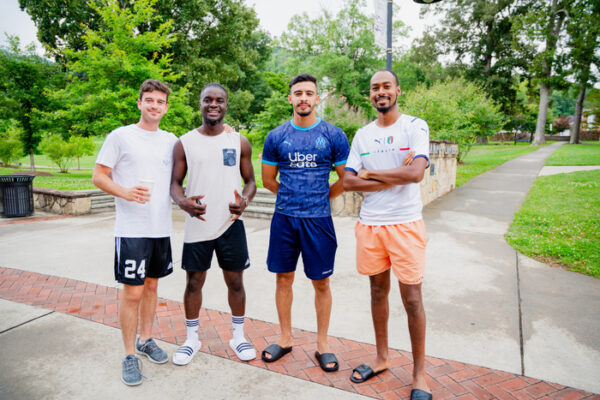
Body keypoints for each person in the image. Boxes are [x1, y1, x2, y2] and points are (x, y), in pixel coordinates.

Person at [343, 70, 432, 400]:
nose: (380, 92)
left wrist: (371, 172)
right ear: (370, 95)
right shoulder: (362, 135)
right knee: (378, 293)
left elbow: (417, 173)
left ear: (397, 90)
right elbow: (349, 182)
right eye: (374, 88)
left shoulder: (414, 126)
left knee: (412, 300)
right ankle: (382, 358)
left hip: (406, 224)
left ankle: (419, 375)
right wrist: (397, 175)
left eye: (386, 87)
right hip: (371, 224)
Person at [260, 74, 349, 372]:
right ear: (290, 98)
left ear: (317, 97)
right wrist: (292, 194)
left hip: (318, 221)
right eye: (298, 93)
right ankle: (285, 339)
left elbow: (344, 178)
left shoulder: (333, 135)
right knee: (283, 279)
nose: (303, 98)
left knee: (320, 282)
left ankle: (323, 345)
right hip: (284, 218)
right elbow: (268, 180)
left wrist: (321, 197)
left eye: (309, 93)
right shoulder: (276, 136)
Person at [92, 79, 176, 386]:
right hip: (131, 230)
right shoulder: (121, 136)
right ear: (139, 102)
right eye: (149, 100)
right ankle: (129, 355)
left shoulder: (170, 140)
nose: (155, 105)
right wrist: (125, 193)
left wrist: (227, 133)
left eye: (160, 101)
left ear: (167, 108)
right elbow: (98, 176)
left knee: (152, 288)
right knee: (132, 293)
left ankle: (146, 339)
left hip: (160, 228)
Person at [170, 83, 257, 365]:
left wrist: (244, 200)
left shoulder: (239, 141)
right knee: (194, 282)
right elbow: (175, 184)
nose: (213, 104)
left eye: (219, 100)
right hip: (199, 224)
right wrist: (182, 202)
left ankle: (238, 337)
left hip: (230, 224)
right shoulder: (184, 142)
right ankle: (191, 339)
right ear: (200, 103)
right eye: (207, 99)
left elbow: (251, 182)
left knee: (235, 282)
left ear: (226, 104)